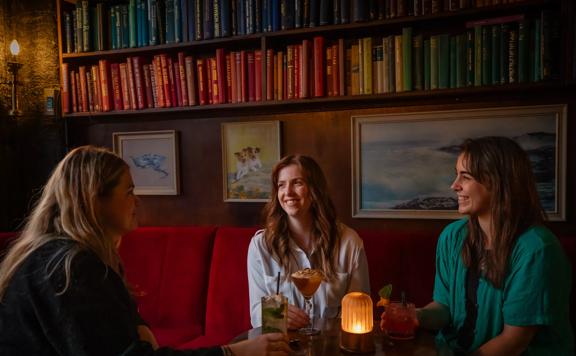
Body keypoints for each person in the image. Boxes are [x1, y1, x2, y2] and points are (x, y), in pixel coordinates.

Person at [0, 146, 289, 356]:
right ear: (94, 201)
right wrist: (234, 352)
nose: (137, 202)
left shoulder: (63, 256)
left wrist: (138, 327)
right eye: (128, 192)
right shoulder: (68, 267)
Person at [411, 136, 574, 355]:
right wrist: (415, 316)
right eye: (456, 174)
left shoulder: (537, 249)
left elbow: (513, 342)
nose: (454, 185)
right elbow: (444, 307)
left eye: (465, 177)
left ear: (497, 182)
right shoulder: (452, 237)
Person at [248, 154, 370, 329]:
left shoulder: (349, 242)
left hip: (331, 345)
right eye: (281, 185)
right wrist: (277, 315)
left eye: (297, 183)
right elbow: (255, 313)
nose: (288, 192)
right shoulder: (261, 246)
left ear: (315, 190)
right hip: (283, 346)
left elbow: (360, 307)